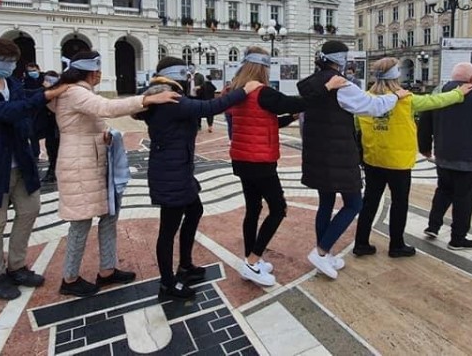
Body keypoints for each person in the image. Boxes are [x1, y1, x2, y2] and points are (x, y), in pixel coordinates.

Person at [49, 51, 179, 297]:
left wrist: (105, 134)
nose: (99, 74)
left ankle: (107, 270)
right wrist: (148, 99)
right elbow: (106, 108)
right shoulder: (75, 92)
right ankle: (69, 278)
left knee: (109, 217)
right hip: (79, 166)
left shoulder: (82, 91)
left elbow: (92, 121)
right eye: (97, 70)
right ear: (88, 71)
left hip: (95, 162)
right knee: (81, 222)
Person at [136, 57, 262, 301]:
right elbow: (208, 108)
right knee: (167, 229)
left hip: (178, 170)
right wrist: (243, 91)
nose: (189, 78)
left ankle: (185, 265)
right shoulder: (169, 99)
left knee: (194, 210)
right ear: (175, 76)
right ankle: (167, 284)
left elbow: (198, 105)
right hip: (170, 174)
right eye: (186, 74)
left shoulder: (167, 96)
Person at [0, 37, 69, 301]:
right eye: (5, 62)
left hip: (21, 160)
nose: (10, 67)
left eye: (12, 63)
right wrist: (46, 95)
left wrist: (56, 86)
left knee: (30, 209)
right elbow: (4, 111)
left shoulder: (11, 83)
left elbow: (25, 100)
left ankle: (17, 265)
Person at [297, 40, 406, 279]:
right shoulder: (341, 84)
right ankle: (321, 251)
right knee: (354, 203)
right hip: (339, 154)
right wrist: (396, 96)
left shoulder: (312, 83)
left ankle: (324, 253)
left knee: (326, 203)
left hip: (317, 152)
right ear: (340, 60)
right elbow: (371, 106)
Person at [353, 57, 472, 258]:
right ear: (395, 76)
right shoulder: (405, 100)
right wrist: (458, 93)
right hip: (398, 161)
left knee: (370, 202)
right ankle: (396, 245)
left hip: (373, 158)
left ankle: (361, 243)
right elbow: (435, 101)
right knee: (399, 203)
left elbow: (357, 128)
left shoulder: (365, 99)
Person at [228, 47, 312, 287]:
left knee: (253, 209)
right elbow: (293, 101)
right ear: (262, 68)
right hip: (260, 162)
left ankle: (250, 258)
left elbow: (265, 121)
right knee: (278, 209)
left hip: (242, 159)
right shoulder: (264, 92)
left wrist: (291, 118)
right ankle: (253, 262)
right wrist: (323, 91)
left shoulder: (239, 91)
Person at [417, 62, 472, 251]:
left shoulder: (439, 93)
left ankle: (433, 226)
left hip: (443, 155)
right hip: (468, 158)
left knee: (443, 191)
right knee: (465, 198)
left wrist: (425, 148)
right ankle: (457, 239)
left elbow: (425, 122)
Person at [37, 70, 60, 183]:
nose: (44, 82)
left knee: (55, 151)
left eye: (47, 80)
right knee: (51, 150)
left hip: (57, 129)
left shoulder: (57, 94)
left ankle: (53, 173)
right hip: (49, 128)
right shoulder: (44, 92)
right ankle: (52, 172)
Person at [23, 62, 44, 162]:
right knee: (33, 134)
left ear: (38, 69)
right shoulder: (25, 81)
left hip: (44, 110)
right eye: (30, 71)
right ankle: (36, 154)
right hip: (32, 111)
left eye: (34, 70)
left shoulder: (44, 79)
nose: (32, 73)